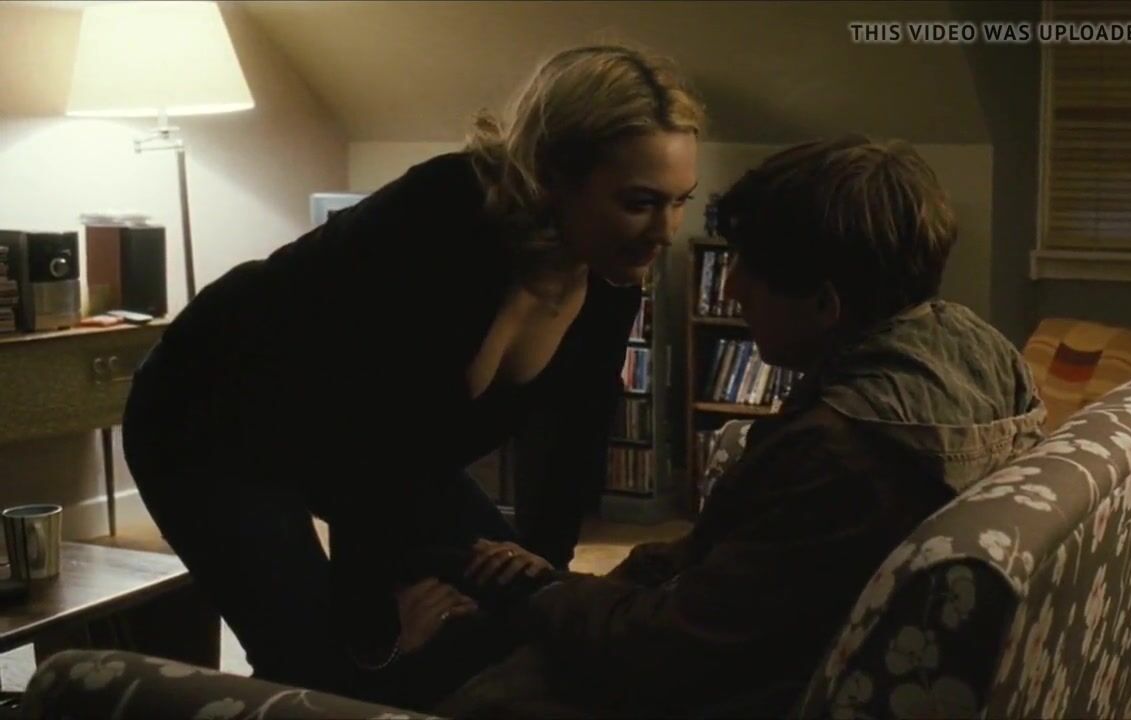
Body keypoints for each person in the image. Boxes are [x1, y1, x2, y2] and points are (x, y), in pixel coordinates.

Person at [119, 45, 703, 709]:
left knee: (511, 607)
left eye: (679, 202)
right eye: (640, 203)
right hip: (211, 418)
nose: (665, 231)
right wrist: (378, 620)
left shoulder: (612, 271)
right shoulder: (441, 214)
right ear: (555, 174)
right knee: (321, 668)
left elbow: (571, 435)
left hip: (384, 450)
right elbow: (360, 436)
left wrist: (545, 562)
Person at [437, 136, 1047, 718]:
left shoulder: (839, 453)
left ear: (825, 304)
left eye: (747, 270)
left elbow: (675, 647)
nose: (730, 290)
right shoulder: (979, 351)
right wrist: (571, 584)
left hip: (730, 695)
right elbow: (725, 563)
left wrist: (542, 596)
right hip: (758, 656)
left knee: (477, 686)